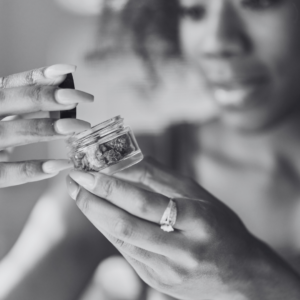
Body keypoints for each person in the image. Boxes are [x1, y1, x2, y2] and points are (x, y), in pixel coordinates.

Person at [2, 0, 300, 299]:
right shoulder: (121, 165)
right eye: (194, 11)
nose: (217, 42)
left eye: (259, 3)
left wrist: (258, 278)